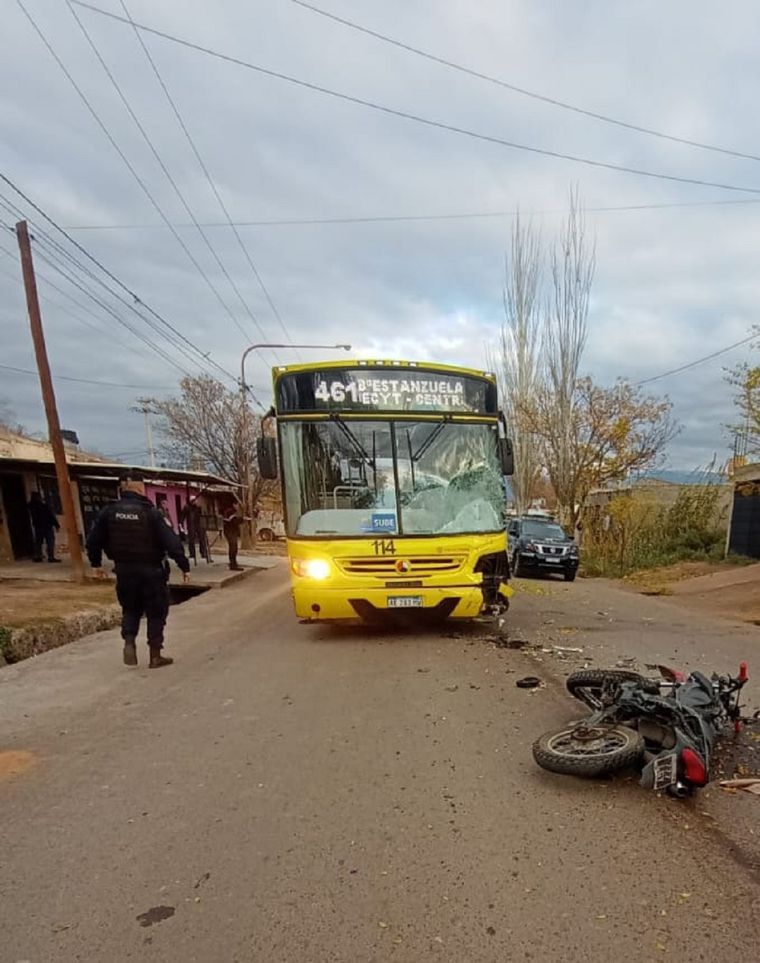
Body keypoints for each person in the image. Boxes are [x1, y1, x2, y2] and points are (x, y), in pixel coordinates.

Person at [86, 469, 190, 669]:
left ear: (121, 488)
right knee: (156, 612)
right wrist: (184, 566)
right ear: (141, 487)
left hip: (124, 570)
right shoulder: (151, 513)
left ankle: (129, 641)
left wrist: (96, 564)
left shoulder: (109, 512)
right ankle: (155, 655)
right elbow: (173, 543)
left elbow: (93, 541)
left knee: (130, 608)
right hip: (152, 571)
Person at [28, 491, 61, 563]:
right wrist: (56, 525)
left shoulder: (31, 506)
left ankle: (38, 556)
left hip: (39, 526)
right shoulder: (43, 506)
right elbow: (51, 516)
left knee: (39, 542)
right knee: (49, 542)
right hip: (47, 526)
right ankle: (50, 556)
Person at [222, 502, 247, 571]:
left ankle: (233, 563)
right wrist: (242, 519)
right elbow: (234, 521)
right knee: (233, 547)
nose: (238, 506)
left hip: (232, 531)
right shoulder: (229, 512)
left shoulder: (233, 511)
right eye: (237, 505)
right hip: (229, 531)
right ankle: (232, 564)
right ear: (234, 504)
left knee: (234, 547)